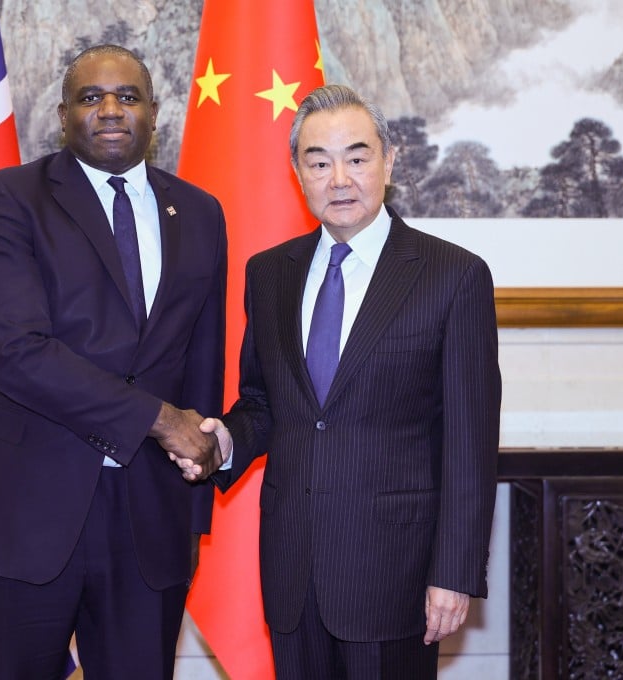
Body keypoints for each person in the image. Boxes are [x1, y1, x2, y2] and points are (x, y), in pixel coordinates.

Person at [0, 44, 227, 679]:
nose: (111, 110)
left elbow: (202, 360)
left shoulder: (200, 213)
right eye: (92, 98)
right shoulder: (8, 198)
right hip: (22, 510)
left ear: (155, 113)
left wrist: (191, 500)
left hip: (151, 520)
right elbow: (16, 353)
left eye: (127, 96)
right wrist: (159, 419)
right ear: (63, 117)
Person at [191, 84, 501, 678]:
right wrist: (224, 440)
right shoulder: (269, 273)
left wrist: (454, 573)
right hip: (293, 573)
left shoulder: (453, 276)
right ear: (296, 172)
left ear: (389, 160)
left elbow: (470, 442)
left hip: (397, 577)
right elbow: (263, 401)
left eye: (357, 158)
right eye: (318, 161)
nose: (339, 178)